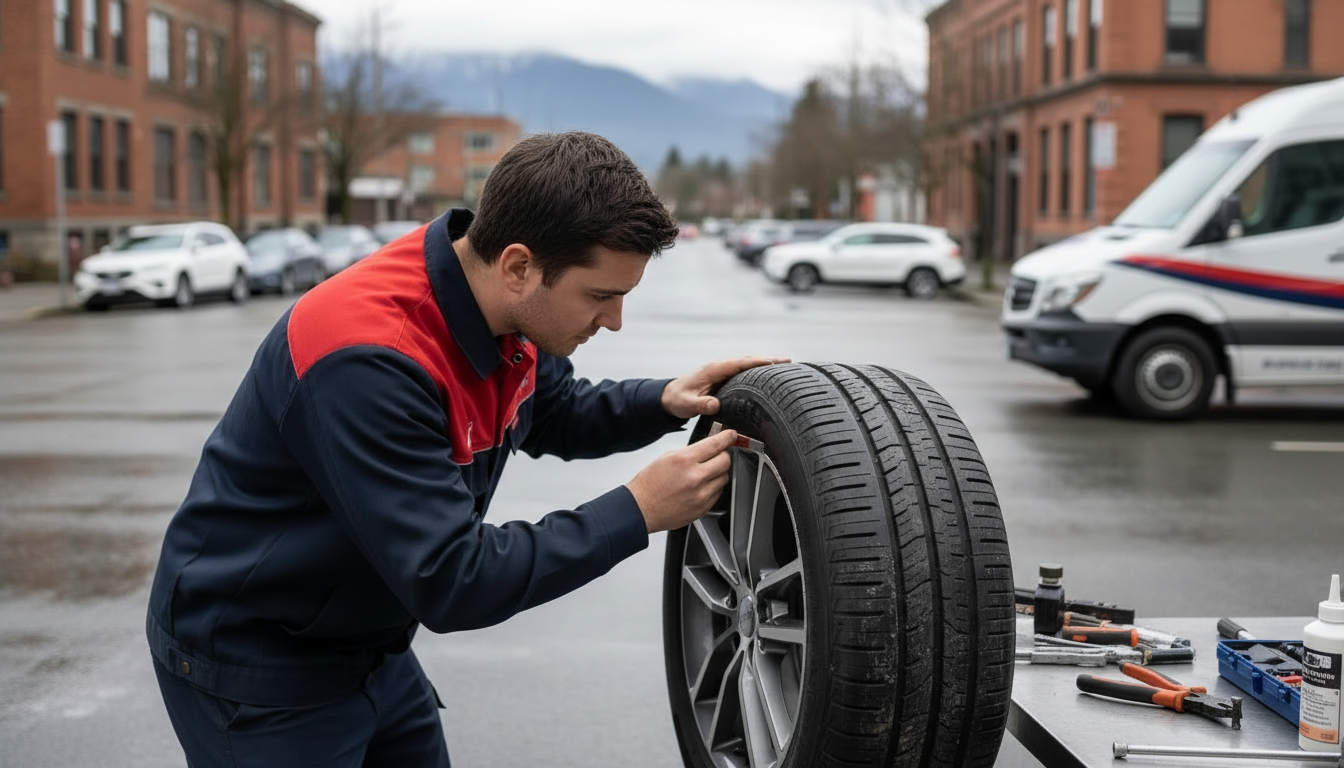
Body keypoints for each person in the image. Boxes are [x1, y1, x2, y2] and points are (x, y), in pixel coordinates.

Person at [145, 131, 784, 767]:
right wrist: (637, 509)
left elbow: (550, 409)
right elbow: (453, 578)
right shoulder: (370, 361)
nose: (614, 320)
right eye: (600, 296)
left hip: (370, 648)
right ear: (518, 266)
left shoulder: (499, 303)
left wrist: (663, 400)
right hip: (256, 670)